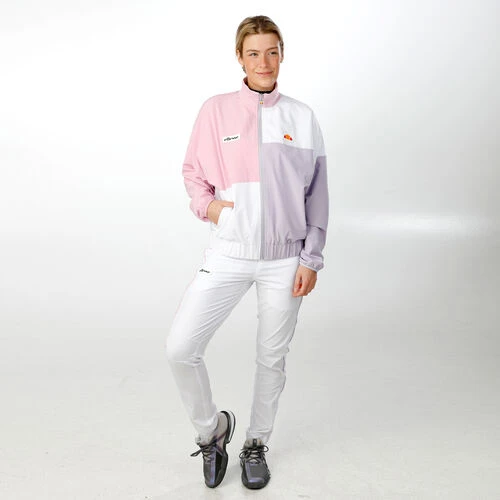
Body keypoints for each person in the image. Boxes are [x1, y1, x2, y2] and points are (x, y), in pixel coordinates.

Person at [166, 15, 329, 490]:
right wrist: (212, 208)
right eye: (254, 53)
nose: (264, 62)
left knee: (271, 357)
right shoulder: (215, 111)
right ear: (240, 57)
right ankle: (212, 431)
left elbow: (317, 193)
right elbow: (193, 172)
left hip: (285, 258)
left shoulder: (302, 117)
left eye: (272, 52)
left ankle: (256, 443)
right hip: (230, 252)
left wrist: (310, 257)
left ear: (282, 55)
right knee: (181, 348)